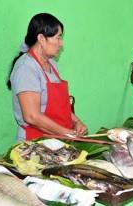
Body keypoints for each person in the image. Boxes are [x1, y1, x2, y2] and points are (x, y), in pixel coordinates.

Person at [7, 13, 87, 141]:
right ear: (41, 39)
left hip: (56, 139)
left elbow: (60, 107)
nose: (61, 43)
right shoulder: (26, 68)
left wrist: (77, 122)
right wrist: (66, 132)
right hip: (35, 141)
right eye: (58, 37)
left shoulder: (52, 63)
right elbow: (31, 116)